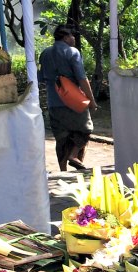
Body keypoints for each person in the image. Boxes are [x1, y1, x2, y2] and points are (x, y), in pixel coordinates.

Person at [40, 24, 98, 172]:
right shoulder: (73, 52)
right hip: (74, 103)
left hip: (53, 102)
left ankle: (63, 170)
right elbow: (82, 79)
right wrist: (91, 100)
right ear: (65, 37)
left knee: (61, 138)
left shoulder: (45, 53)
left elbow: (40, 77)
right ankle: (73, 155)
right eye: (72, 35)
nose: (73, 38)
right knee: (85, 129)